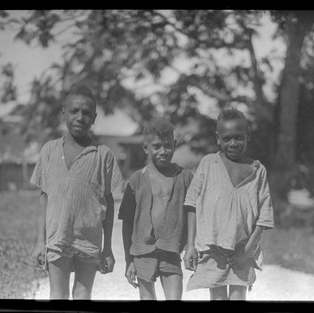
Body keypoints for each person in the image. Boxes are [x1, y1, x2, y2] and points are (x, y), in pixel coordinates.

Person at [29, 85, 123, 299]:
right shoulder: (49, 151)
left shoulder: (103, 155)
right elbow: (43, 198)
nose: (80, 117)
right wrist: (39, 242)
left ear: (94, 118)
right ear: (64, 113)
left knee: (82, 295)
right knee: (58, 295)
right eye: (74, 111)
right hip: (57, 237)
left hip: (88, 240)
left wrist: (107, 248)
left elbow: (108, 204)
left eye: (87, 113)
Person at [182, 108, 274, 300]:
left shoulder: (258, 171)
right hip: (212, 250)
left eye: (238, 138)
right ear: (218, 138)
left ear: (247, 136)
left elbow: (264, 218)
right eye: (227, 138)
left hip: (242, 251)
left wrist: (246, 251)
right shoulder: (208, 164)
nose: (233, 143)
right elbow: (191, 204)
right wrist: (190, 245)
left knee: (238, 297)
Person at [118, 118, 194, 300]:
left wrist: (191, 246)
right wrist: (129, 260)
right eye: (157, 146)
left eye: (168, 146)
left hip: (171, 251)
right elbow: (127, 222)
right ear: (146, 148)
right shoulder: (136, 180)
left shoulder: (184, 177)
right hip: (142, 252)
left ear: (175, 145)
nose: (163, 151)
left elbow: (193, 211)